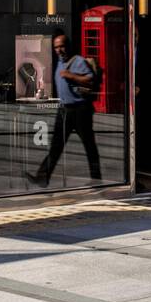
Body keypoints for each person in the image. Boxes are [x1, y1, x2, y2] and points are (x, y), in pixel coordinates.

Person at [25, 30, 101, 187]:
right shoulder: (60, 61)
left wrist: (71, 76)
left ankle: (97, 179)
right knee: (56, 146)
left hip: (80, 110)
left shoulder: (78, 61)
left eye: (62, 46)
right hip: (64, 109)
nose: (59, 50)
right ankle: (42, 177)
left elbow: (90, 80)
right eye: (56, 47)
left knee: (89, 145)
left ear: (68, 46)